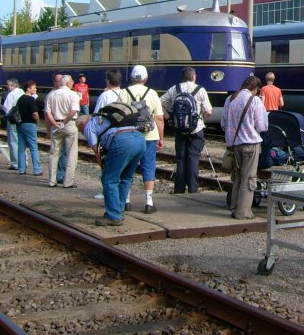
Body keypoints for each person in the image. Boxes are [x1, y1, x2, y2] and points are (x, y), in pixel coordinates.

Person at [83, 106, 146, 227]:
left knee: (109, 179)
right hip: (139, 139)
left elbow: (96, 151)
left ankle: (113, 216)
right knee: (126, 177)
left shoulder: (88, 124)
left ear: (81, 124)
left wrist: (103, 168)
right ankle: (118, 210)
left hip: (122, 141)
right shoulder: (104, 118)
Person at [222, 75, 268, 219]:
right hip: (250, 144)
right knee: (248, 178)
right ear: (255, 89)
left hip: (234, 145)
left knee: (237, 178)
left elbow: (223, 124)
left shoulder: (230, 99)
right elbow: (261, 126)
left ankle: (234, 208)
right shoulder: (254, 100)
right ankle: (243, 212)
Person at [120, 65, 165, 210]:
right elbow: (159, 118)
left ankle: (126, 201)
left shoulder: (124, 93)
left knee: (127, 167)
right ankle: (149, 202)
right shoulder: (152, 93)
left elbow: (118, 116)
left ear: (132, 78)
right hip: (149, 136)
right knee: (148, 166)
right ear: (146, 78)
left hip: (129, 135)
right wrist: (160, 137)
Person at [160, 66, 211, 195]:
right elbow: (209, 111)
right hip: (196, 129)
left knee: (181, 159)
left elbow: (160, 103)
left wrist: (169, 118)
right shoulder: (200, 90)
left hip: (179, 129)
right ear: (194, 77)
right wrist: (201, 119)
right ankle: (193, 190)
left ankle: (179, 190)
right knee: (193, 159)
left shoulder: (174, 89)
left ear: (182, 77)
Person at [45, 74, 80, 188]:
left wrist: (54, 123)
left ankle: (51, 180)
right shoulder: (73, 94)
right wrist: (64, 122)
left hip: (56, 124)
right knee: (71, 154)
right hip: (69, 124)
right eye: (72, 81)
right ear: (68, 83)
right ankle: (68, 182)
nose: (73, 83)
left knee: (53, 153)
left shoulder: (51, 94)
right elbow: (73, 111)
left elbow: (47, 112)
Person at [16, 80, 43, 176]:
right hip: (29, 125)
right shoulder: (30, 99)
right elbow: (35, 113)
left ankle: (21, 169)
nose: (36, 89)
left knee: (21, 148)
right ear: (28, 89)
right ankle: (37, 170)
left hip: (20, 124)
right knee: (33, 148)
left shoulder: (20, 99)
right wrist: (38, 121)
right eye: (34, 87)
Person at [2, 78, 24, 170]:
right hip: (22, 119)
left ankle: (15, 163)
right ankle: (24, 161)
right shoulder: (22, 92)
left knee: (13, 141)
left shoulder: (11, 94)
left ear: (12, 85)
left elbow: (7, 108)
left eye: (8, 85)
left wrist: (1, 107)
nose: (7, 87)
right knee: (21, 142)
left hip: (12, 120)